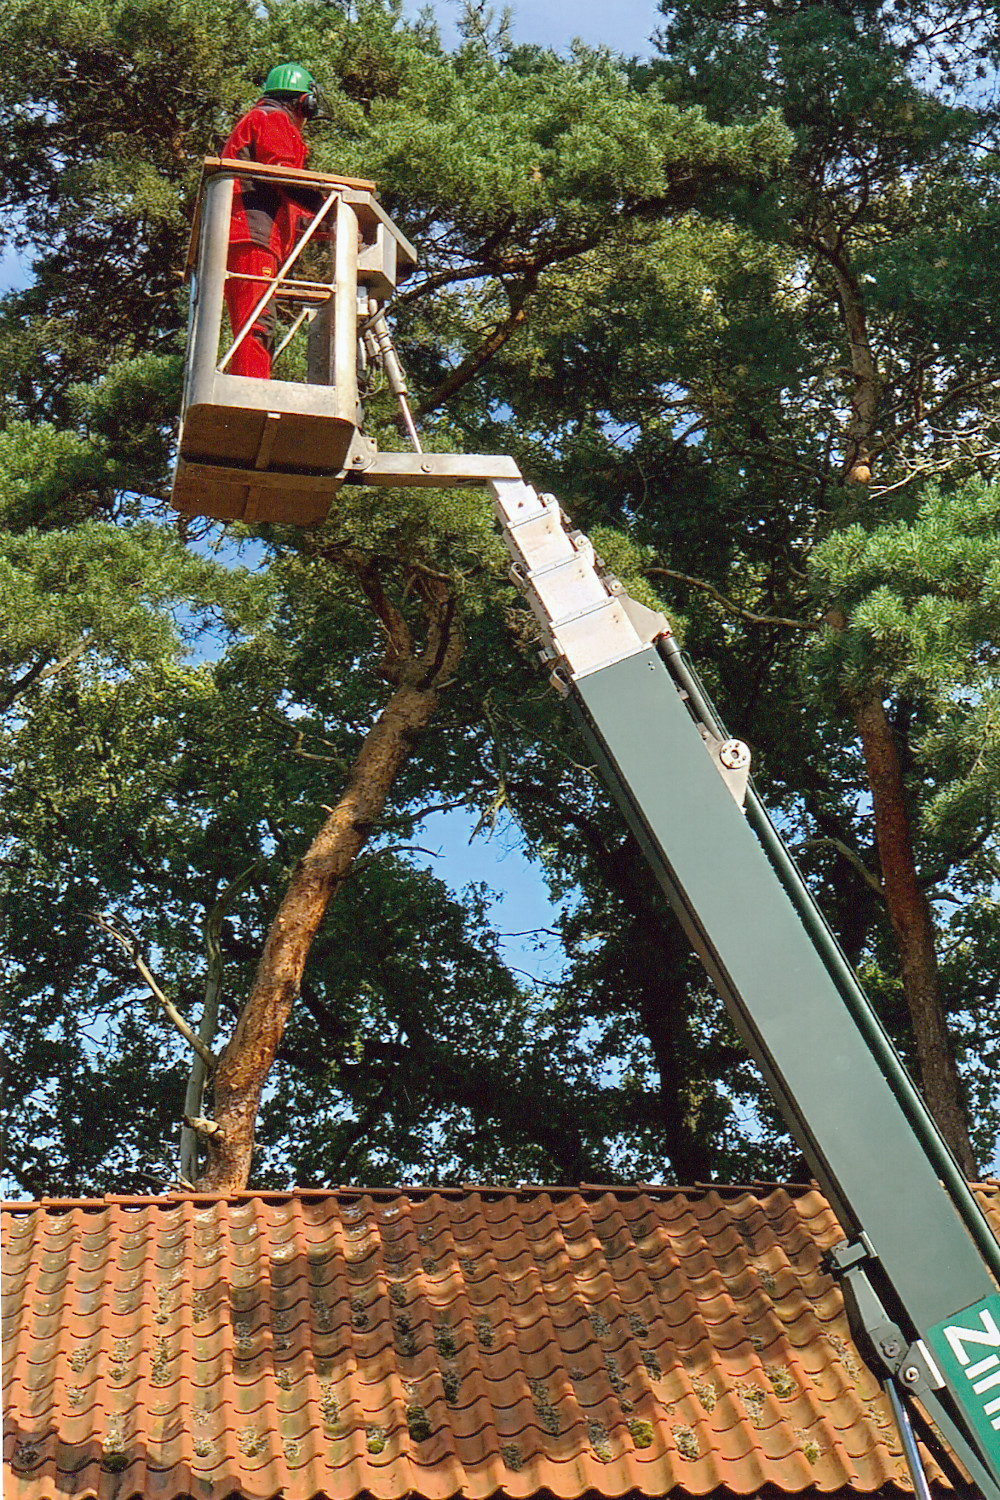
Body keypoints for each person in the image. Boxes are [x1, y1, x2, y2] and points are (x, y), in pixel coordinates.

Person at [222, 63, 322, 379]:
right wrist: (327, 206)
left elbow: (289, 204)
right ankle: (250, 393)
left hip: (247, 235)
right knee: (258, 322)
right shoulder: (273, 119)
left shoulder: (260, 120)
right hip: (252, 236)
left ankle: (248, 387)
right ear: (304, 102)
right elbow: (285, 175)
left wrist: (327, 224)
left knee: (253, 322)